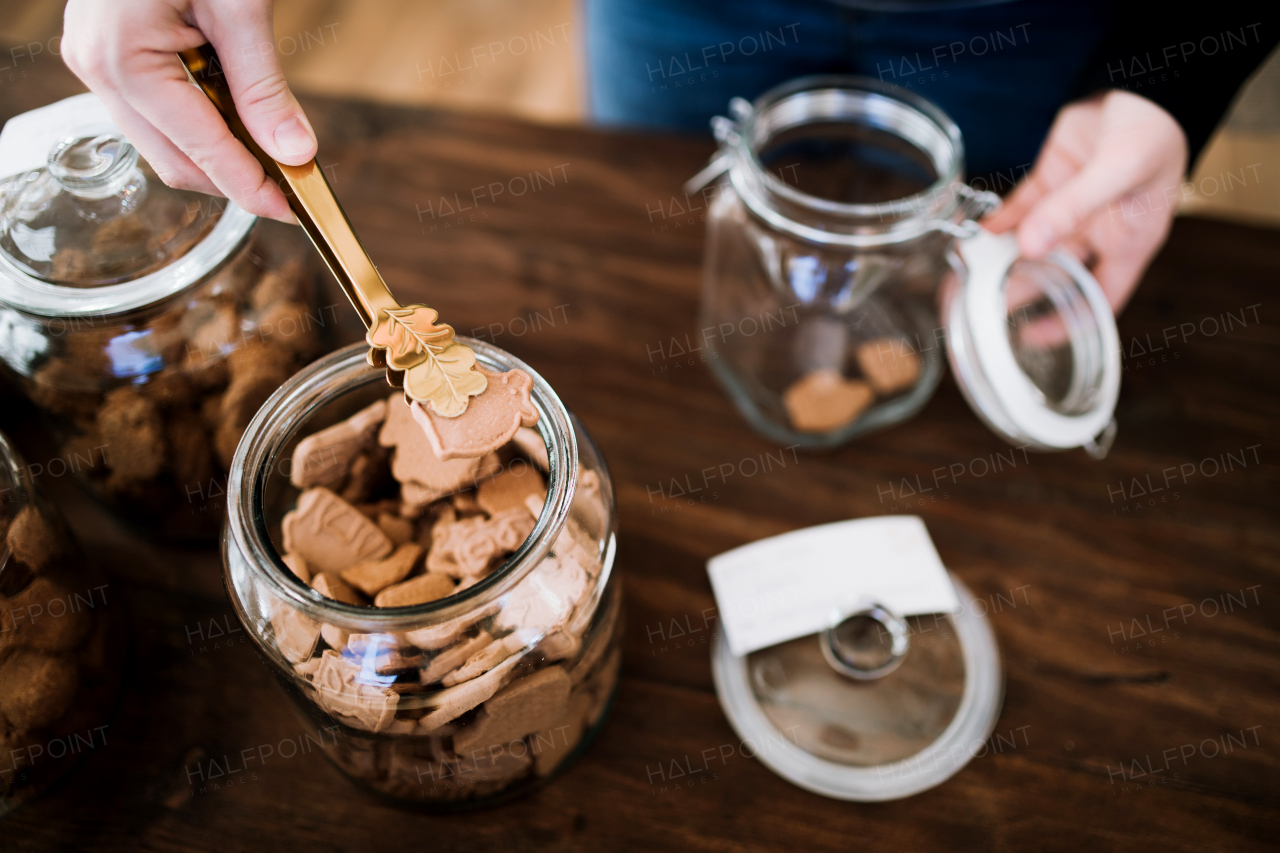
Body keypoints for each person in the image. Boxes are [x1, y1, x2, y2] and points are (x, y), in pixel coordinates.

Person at [61, 0, 1276, 312]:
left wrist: (1175, 72)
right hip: (687, 12)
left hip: (1033, 24)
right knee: (646, 259)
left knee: (972, 281)